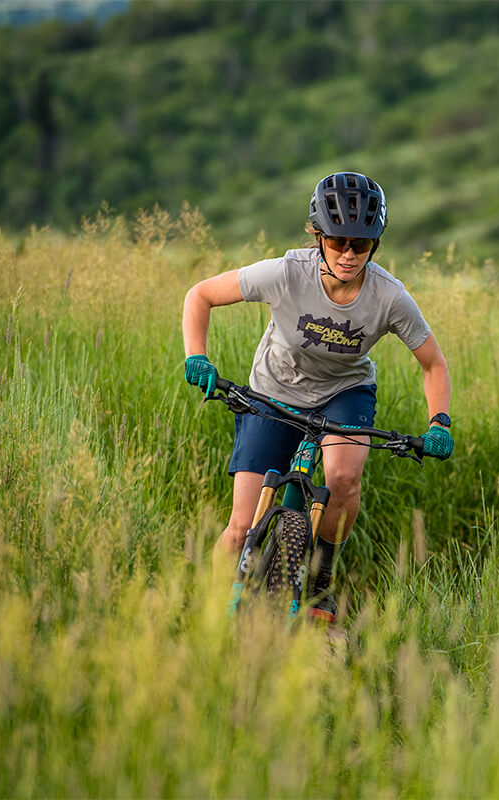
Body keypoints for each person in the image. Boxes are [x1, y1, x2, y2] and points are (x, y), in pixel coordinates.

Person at [181, 171, 453, 623]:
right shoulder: (286, 273)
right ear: (319, 236)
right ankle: (210, 620)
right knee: (240, 528)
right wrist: (198, 358)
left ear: (375, 245)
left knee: (343, 477)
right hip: (273, 390)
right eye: (339, 241)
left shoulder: (389, 297)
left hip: (344, 393)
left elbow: (433, 364)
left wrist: (439, 421)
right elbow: (201, 295)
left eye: (361, 245)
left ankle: (321, 576)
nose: (349, 254)